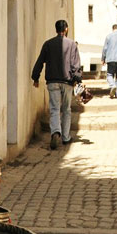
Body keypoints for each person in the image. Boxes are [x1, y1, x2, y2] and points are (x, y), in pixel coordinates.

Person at [32, 19, 81, 149]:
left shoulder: (48, 44)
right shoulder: (72, 45)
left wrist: (35, 77)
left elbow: (40, 61)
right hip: (67, 82)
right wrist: (77, 79)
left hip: (52, 82)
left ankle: (55, 132)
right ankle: (65, 137)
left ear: (56, 30)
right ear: (66, 29)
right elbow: (76, 64)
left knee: (54, 109)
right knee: (66, 109)